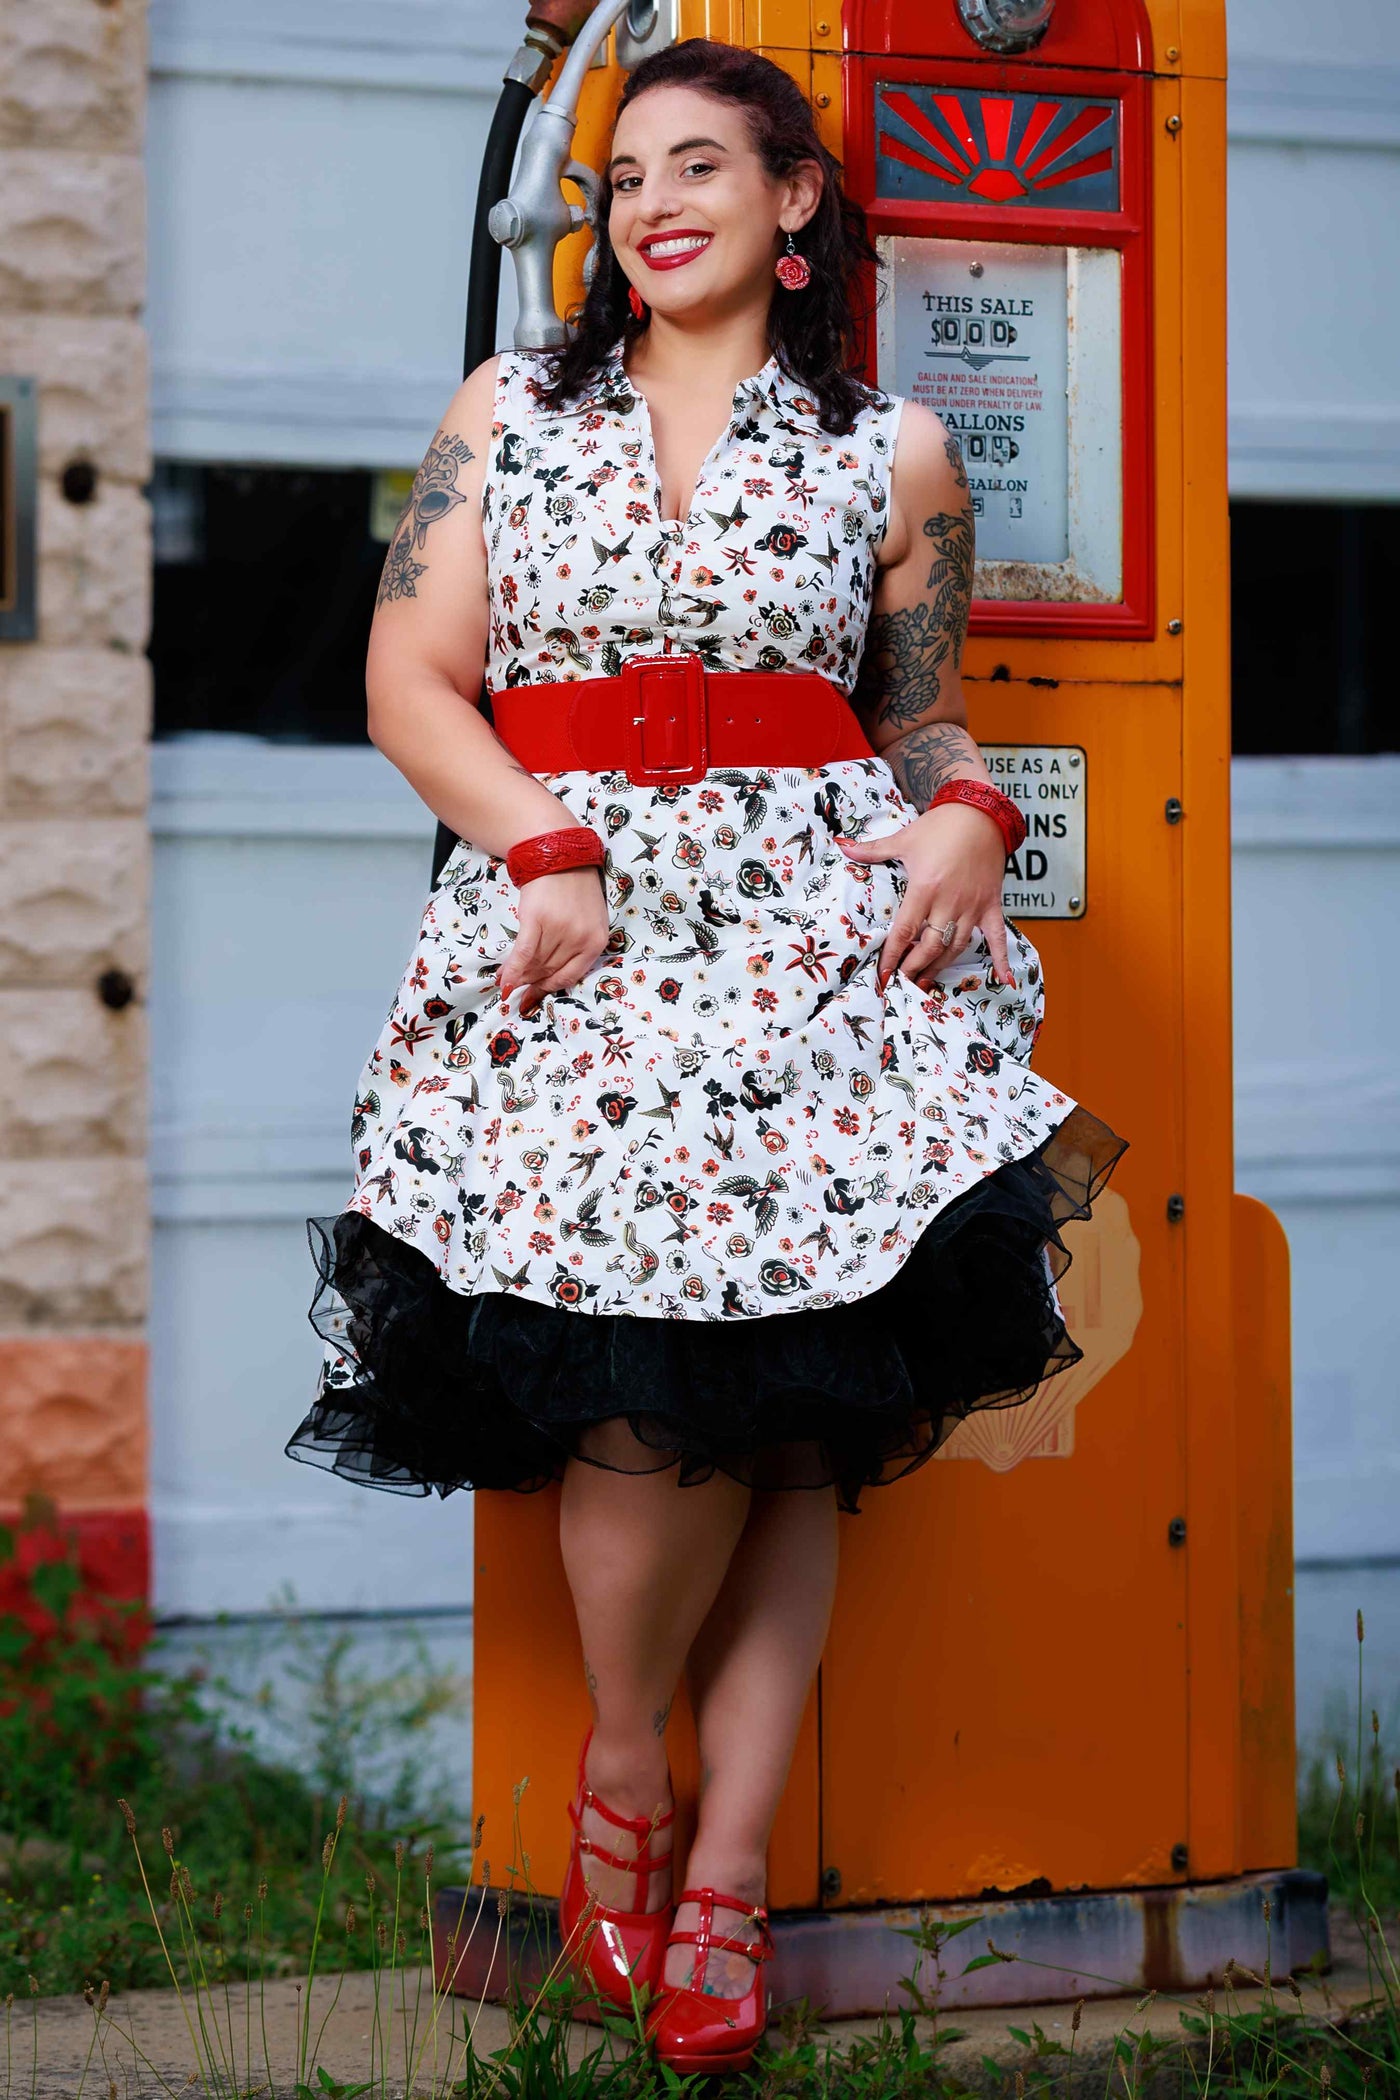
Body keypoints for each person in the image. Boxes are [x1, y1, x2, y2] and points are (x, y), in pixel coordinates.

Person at [285, 36, 1126, 2077]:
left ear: (796, 202)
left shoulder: (895, 452)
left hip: (816, 957)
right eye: (620, 174)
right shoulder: (510, 414)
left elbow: (923, 722)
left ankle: (726, 1880)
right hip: (575, 936)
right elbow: (412, 677)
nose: (650, 202)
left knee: (799, 1430)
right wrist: (540, 839)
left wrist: (968, 816)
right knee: (634, 1409)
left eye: (698, 166)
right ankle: (631, 1774)